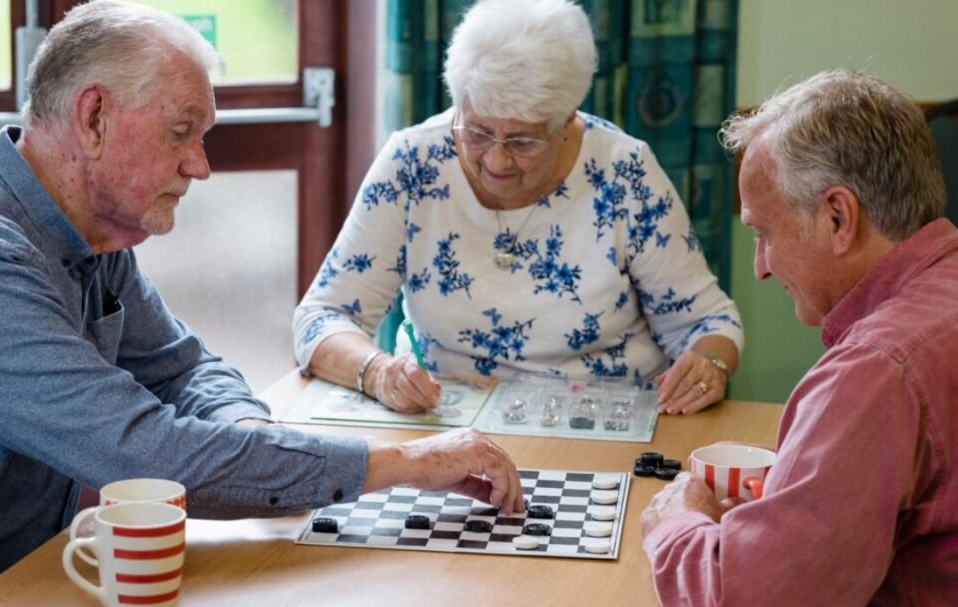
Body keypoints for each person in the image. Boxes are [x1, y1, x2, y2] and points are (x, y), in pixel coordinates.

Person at [0, 2, 524, 603]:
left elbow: (182, 368)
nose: (201, 166)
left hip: (29, 568)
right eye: (180, 132)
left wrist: (252, 437)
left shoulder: (91, 227)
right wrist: (412, 462)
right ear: (93, 118)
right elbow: (140, 452)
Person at [293, 0, 743, 417]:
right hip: (445, 424)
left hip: (603, 422)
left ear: (566, 119)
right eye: (477, 133)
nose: (497, 160)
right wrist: (377, 372)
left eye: (523, 141)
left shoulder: (624, 171)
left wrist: (708, 365)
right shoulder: (413, 163)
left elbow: (707, 322)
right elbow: (321, 318)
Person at [640, 69, 958, 606]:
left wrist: (675, 522)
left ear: (838, 217)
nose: (761, 267)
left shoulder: (877, 369)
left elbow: (749, 599)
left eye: (763, 233)